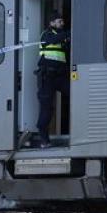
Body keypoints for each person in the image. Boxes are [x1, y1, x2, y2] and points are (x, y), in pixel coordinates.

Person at [34, 15, 70, 147]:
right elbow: (53, 40)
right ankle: (44, 139)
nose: (62, 23)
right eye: (59, 21)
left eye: (62, 21)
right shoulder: (47, 34)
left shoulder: (63, 38)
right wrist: (68, 34)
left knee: (75, 95)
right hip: (47, 77)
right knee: (46, 108)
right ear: (52, 22)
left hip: (60, 77)